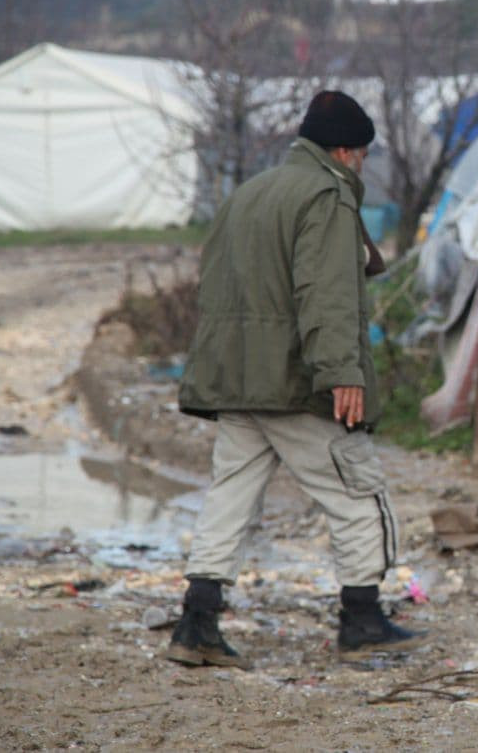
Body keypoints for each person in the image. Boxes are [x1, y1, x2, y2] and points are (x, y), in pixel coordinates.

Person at [166, 90, 421, 669]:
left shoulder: (247, 195)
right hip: (296, 383)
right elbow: (325, 291)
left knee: (229, 499)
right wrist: (341, 374)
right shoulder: (326, 197)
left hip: (236, 381)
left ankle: (196, 623)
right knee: (359, 493)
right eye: (361, 154)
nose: (362, 164)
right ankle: (362, 621)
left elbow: (216, 286)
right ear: (344, 151)